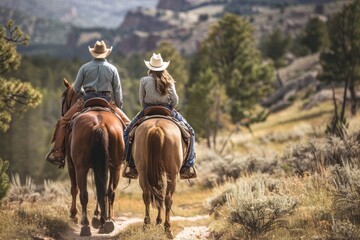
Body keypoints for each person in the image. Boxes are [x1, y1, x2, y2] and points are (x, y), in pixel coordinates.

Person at [46, 40, 130, 168]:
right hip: (106, 101)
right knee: (128, 124)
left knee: (63, 122)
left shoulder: (84, 67)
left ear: (93, 53)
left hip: (86, 100)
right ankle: (129, 155)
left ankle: (58, 152)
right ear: (106, 54)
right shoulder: (113, 69)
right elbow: (117, 90)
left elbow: (76, 88)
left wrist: (84, 93)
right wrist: (117, 105)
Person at [122, 53, 197, 179]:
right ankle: (188, 165)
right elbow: (175, 100)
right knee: (191, 132)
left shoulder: (144, 80)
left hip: (148, 110)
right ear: (163, 67)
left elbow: (141, 100)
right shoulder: (169, 80)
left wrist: (148, 105)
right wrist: (170, 106)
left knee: (127, 132)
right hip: (167, 110)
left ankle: (130, 163)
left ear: (150, 67)